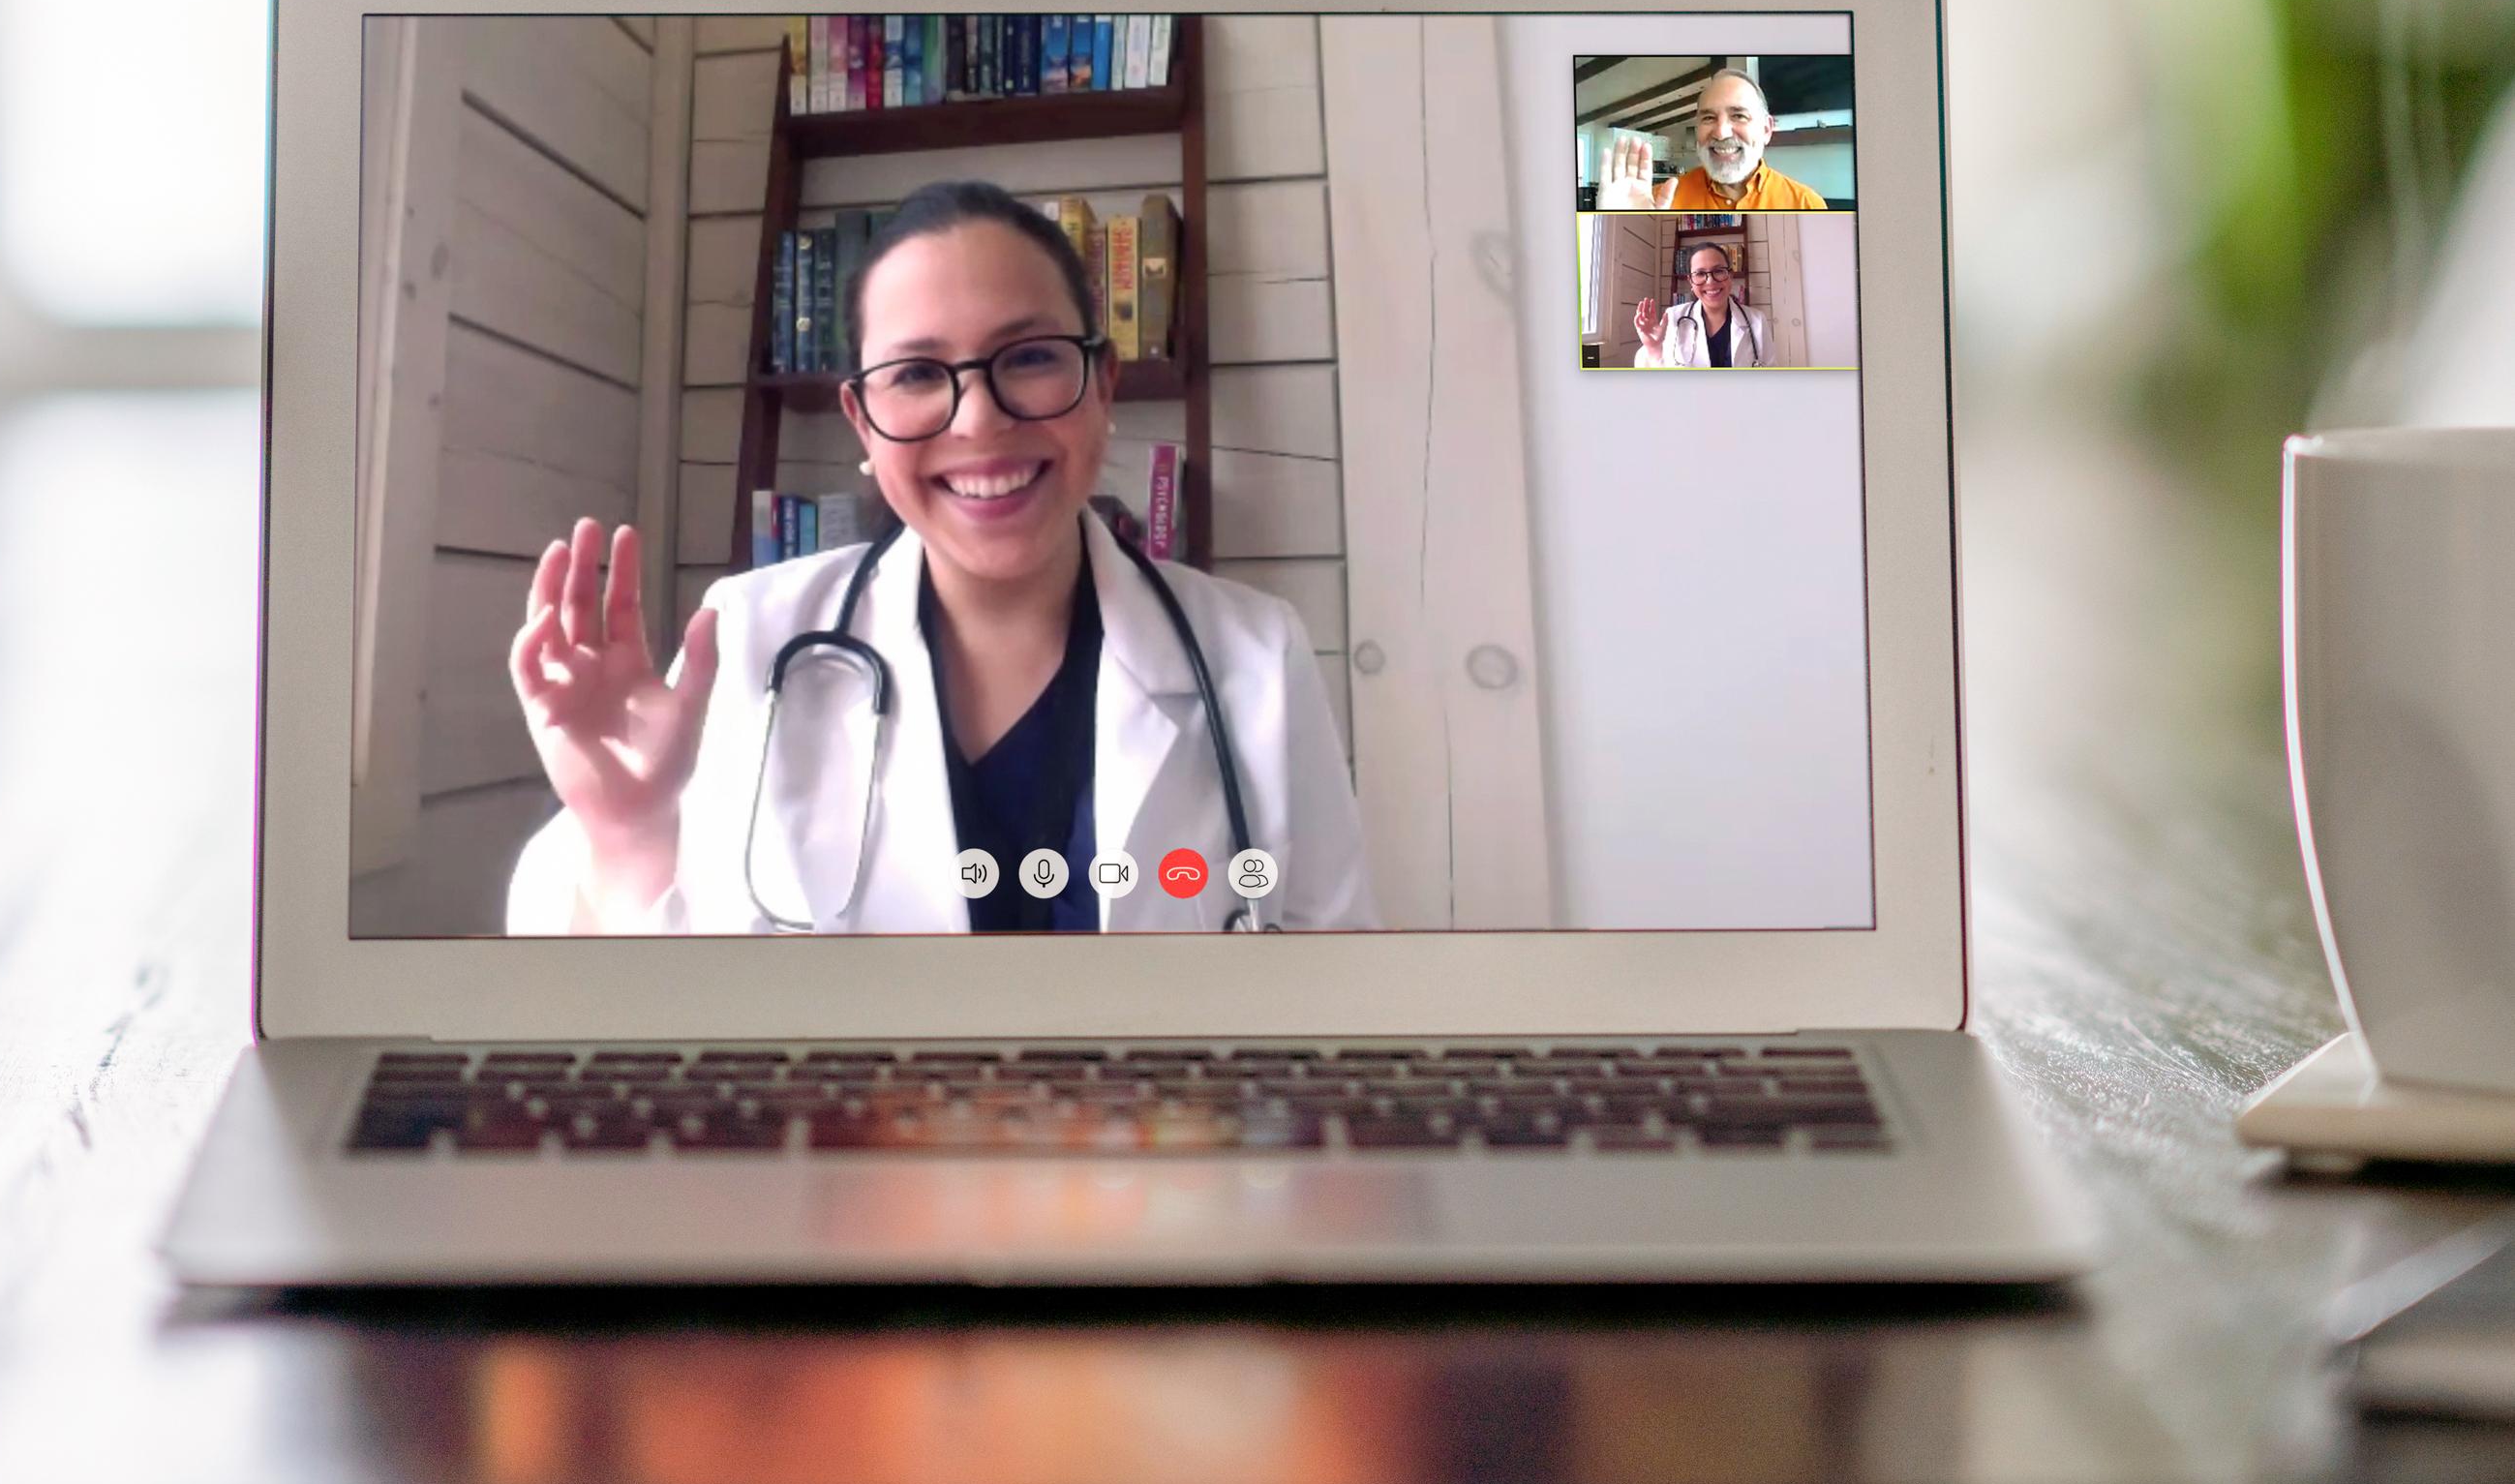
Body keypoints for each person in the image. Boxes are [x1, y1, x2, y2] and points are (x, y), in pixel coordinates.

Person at [501, 180, 1379, 935]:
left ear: (1103, 386)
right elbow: (657, 1036)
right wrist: (627, 830)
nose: (978, 422)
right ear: (860, 421)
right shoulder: (748, 644)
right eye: (917, 374)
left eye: (1030, 357)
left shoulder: (1256, 656)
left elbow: (1332, 995)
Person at [1597, 68, 1827, 212]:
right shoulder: (1658, 201)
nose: (1721, 132)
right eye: (1708, 118)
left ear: (1766, 130)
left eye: (1738, 115)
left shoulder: (1807, 204)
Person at [1632, 243, 1770, 368]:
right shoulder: (1673, 318)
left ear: (1730, 276)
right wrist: (1654, 348)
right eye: (1700, 274)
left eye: (1718, 271)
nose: (1710, 281)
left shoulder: (1756, 320)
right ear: (1690, 281)